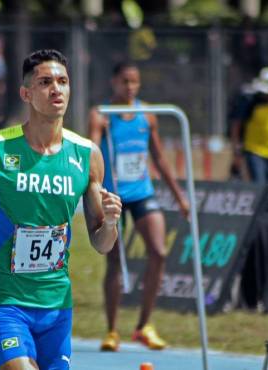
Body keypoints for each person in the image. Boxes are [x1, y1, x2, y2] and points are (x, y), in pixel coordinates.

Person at [0, 49, 122, 370]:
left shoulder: (88, 156)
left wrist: (111, 223)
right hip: (6, 302)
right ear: (26, 93)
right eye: (45, 82)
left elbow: (101, 244)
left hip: (57, 305)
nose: (56, 89)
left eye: (62, 81)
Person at [88, 61, 189, 352]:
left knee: (159, 251)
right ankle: (111, 330)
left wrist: (180, 196)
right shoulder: (101, 114)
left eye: (134, 82)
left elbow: (159, 158)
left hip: (142, 191)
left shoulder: (147, 115)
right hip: (114, 194)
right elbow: (91, 152)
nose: (130, 87)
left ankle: (144, 325)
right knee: (115, 260)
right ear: (113, 82)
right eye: (125, 81)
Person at [230, 67, 268, 185]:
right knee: (259, 183)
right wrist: (236, 148)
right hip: (254, 150)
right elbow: (236, 125)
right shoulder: (250, 102)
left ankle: (266, 203)